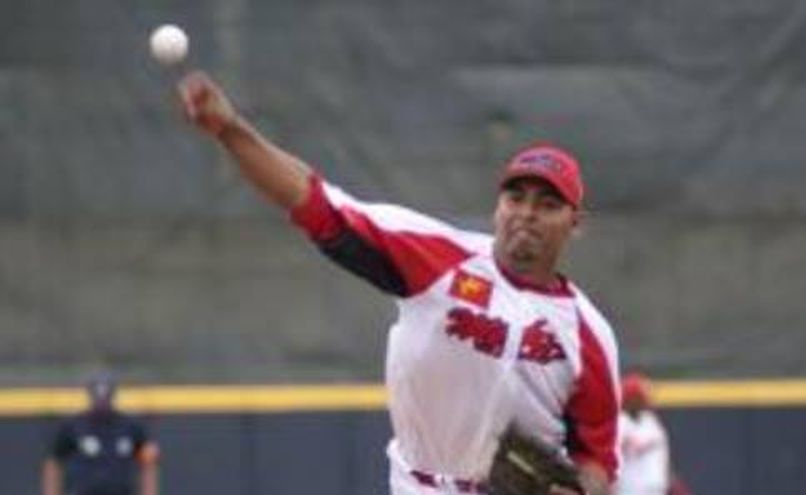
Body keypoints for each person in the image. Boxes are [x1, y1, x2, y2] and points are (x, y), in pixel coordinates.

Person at [176, 70, 622, 495]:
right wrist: (230, 130)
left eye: (548, 204)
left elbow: (598, 459)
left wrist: (582, 490)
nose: (527, 213)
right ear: (498, 205)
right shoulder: (436, 257)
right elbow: (314, 202)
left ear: (575, 222)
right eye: (515, 196)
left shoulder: (588, 334)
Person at [41, 372, 160, 495]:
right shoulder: (74, 426)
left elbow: (148, 463)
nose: (102, 403)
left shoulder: (131, 427)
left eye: (105, 398)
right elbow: (53, 462)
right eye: (98, 398)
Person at [614, 373, 690, 495]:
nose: (646, 398)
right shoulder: (619, 423)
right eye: (641, 395)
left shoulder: (650, 421)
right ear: (631, 399)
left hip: (657, 489)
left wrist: (674, 484)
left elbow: (660, 456)